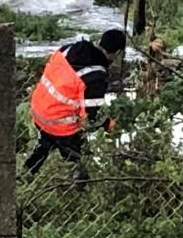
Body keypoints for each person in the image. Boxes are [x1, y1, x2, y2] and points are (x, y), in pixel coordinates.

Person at [24, 29, 127, 185]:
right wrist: (108, 124)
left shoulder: (69, 49)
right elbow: (90, 118)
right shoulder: (97, 76)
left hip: (38, 109)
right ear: (117, 53)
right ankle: (78, 189)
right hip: (58, 123)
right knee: (82, 156)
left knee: (46, 142)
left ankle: (25, 175)